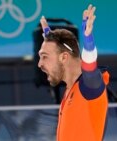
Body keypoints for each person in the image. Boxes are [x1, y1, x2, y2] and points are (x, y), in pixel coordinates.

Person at [38, 4, 109, 141]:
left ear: (64, 57)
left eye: (45, 57)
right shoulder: (71, 89)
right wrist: (49, 35)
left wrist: (88, 41)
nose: (40, 64)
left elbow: (90, 69)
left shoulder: (89, 88)